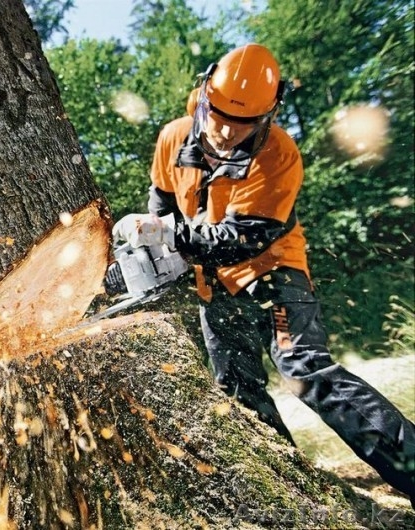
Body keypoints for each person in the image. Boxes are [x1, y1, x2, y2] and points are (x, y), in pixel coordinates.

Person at [108, 43, 415, 502]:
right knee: (237, 389)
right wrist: (154, 237)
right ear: (205, 95)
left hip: (274, 272)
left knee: (305, 369)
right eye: (218, 116)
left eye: (241, 123)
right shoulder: (173, 138)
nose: (225, 131)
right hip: (212, 283)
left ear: (266, 115)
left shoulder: (278, 154)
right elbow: (163, 202)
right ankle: (296, 495)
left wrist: (170, 234)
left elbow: (242, 239)